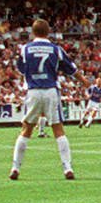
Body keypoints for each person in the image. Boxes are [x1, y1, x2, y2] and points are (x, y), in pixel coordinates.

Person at [9, 18, 76, 181]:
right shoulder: (55, 49)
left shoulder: (25, 49)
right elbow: (70, 69)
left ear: (33, 32)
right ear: (48, 32)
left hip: (33, 91)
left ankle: (15, 167)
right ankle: (67, 168)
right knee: (58, 130)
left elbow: (21, 68)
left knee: (26, 130)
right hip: (50, 90)